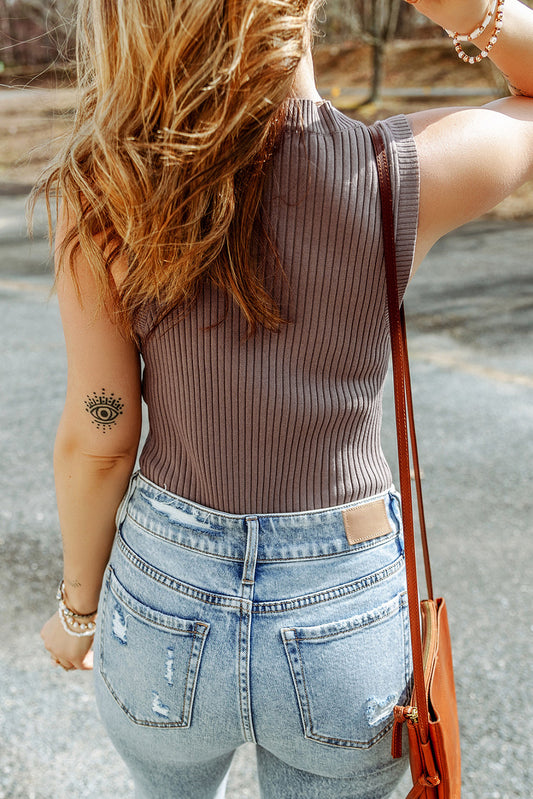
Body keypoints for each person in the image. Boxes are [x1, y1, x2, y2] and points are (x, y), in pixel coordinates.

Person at [37, 0, 533, 796]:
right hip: (345, 617)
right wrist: (464, 9)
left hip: (163, 600)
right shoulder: (393, 172)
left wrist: (77, 612)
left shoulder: (107, 192)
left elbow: (101, 433)